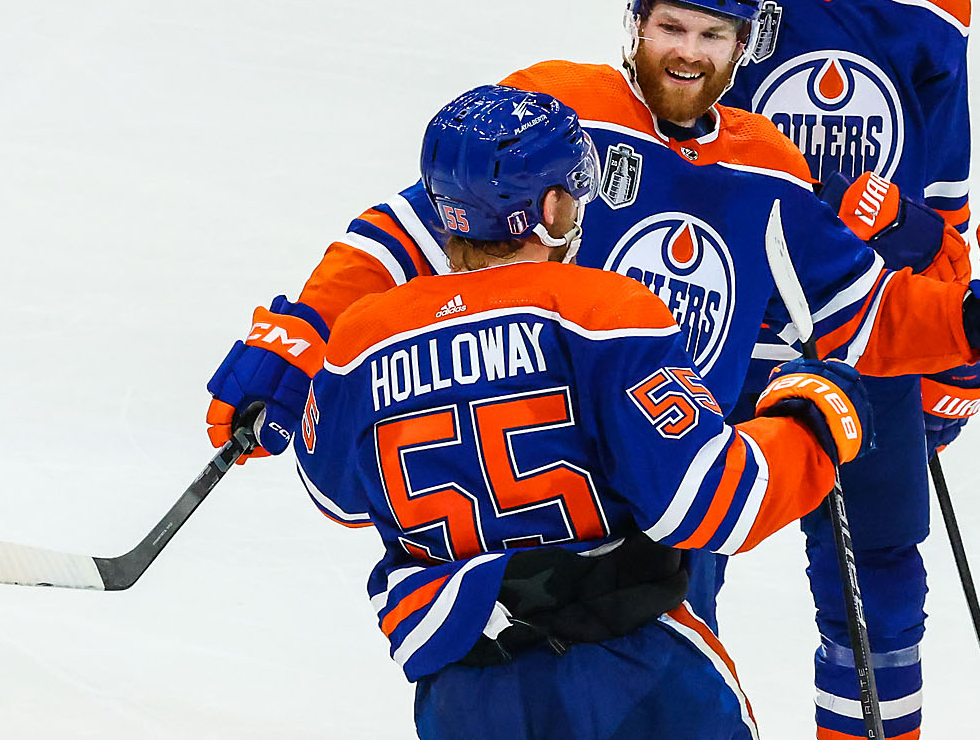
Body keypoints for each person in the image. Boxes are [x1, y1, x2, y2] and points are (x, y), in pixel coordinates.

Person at [205, 0, 980, 628]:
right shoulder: (562, 109)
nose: (688, 51)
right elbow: (412, 225)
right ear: (636, 21)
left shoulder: (765, 166)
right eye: (671, 25)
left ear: (744, 42)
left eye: (713, 33)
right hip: (544, 492)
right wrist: (300, 334)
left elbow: (870, 313)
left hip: (671, 473)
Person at [293, 83, 874, 740]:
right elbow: (711, 498)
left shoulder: (360, 340)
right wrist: (810, 424)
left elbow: (336, 495)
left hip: (464, 695)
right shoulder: (602, 313)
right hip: (631, 676)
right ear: (549, 209)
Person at [700, 0, 977, 739]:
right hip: (719, 329)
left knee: (880, 597)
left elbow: (941, 201)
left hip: (866, 334)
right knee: (671, 581)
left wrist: (948, 341)